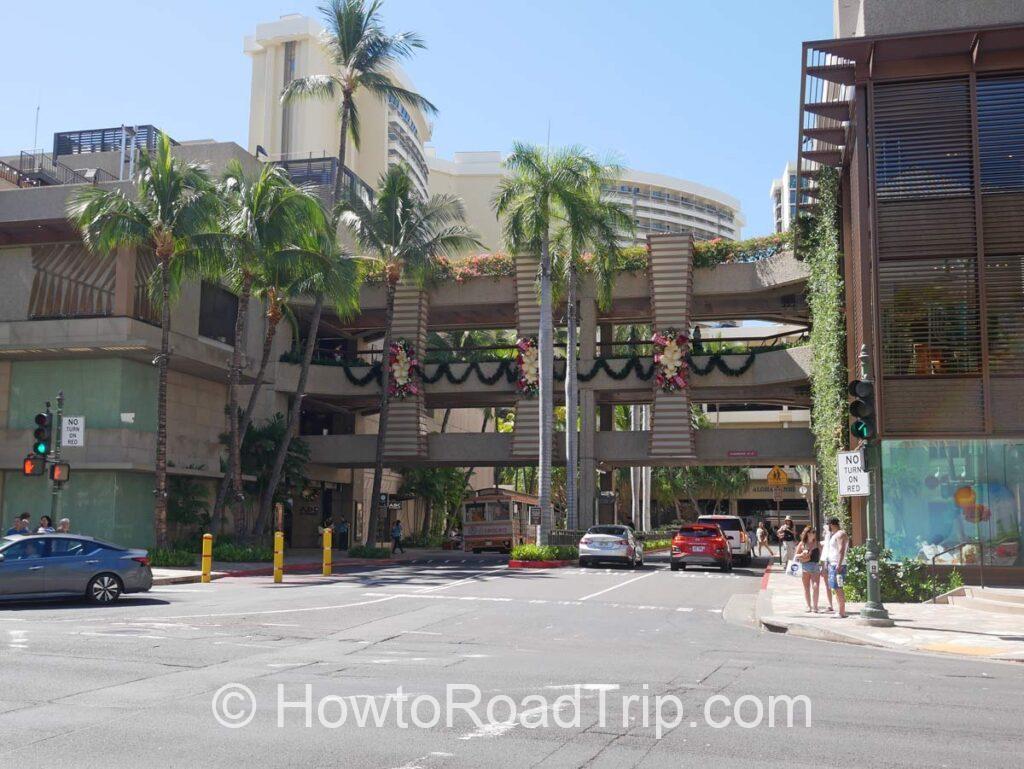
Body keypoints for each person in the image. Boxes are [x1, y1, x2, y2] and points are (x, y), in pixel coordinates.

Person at [826, 517, 849, 618]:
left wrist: (839, 564)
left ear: (831, 524)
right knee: (835, 587)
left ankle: (842, 612)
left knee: (838, 588)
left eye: (828, 525)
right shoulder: (835, 535)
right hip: (833, 564)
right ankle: (840, 611)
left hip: (837, 565)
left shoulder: (840, 534)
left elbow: (841, 549)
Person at [795, 526, 821, 613]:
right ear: (807, 533)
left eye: (814, 532)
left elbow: (822, 555)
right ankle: (808, 606)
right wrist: (802, 553)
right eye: (812, 532)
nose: (813, 534)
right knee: (806, 588)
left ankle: (815, 606)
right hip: (805, 566)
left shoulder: (817, 543)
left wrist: (823, 565)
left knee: (815, 586)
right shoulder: (802, 544)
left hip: (815, 566)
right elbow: (796, 555)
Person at [819, 521, 835, 613]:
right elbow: (825, 550)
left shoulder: (836, 535)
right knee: (827, 584)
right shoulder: (827, 536)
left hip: (832, 561)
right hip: (825, 560)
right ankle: (830, 605)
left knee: (836, 585)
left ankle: (837, 606)